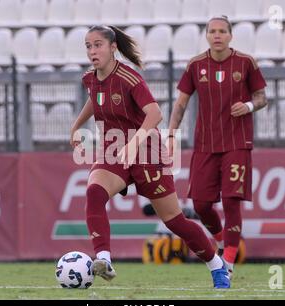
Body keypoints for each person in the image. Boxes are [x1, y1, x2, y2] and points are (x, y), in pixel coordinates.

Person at [70, 25, 230, 289]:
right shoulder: (90, 78)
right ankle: (104, 259)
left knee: (175, 221)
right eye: (88, 46)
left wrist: (134, 143)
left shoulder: (129, 78)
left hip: (146, 152)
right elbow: (95, 99)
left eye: (98, 45)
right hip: (115, 152)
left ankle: (216, 265)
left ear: (113, 48)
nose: (92, 51)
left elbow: (155, 114)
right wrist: (76, 125)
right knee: (94, 192)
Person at [168, 16, 268, 279]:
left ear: (230, 35)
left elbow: (261, 98)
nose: (217, 35)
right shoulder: (196, 65)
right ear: (206, 35)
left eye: (222, 31)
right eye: (212, 31)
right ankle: (223, 240)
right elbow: (181, 103)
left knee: (232, 200)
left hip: (237, 142)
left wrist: (247, 106)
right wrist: (171, 133)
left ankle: (229, 262)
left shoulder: (246, 62)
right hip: (205, 144)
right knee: (200, 204)